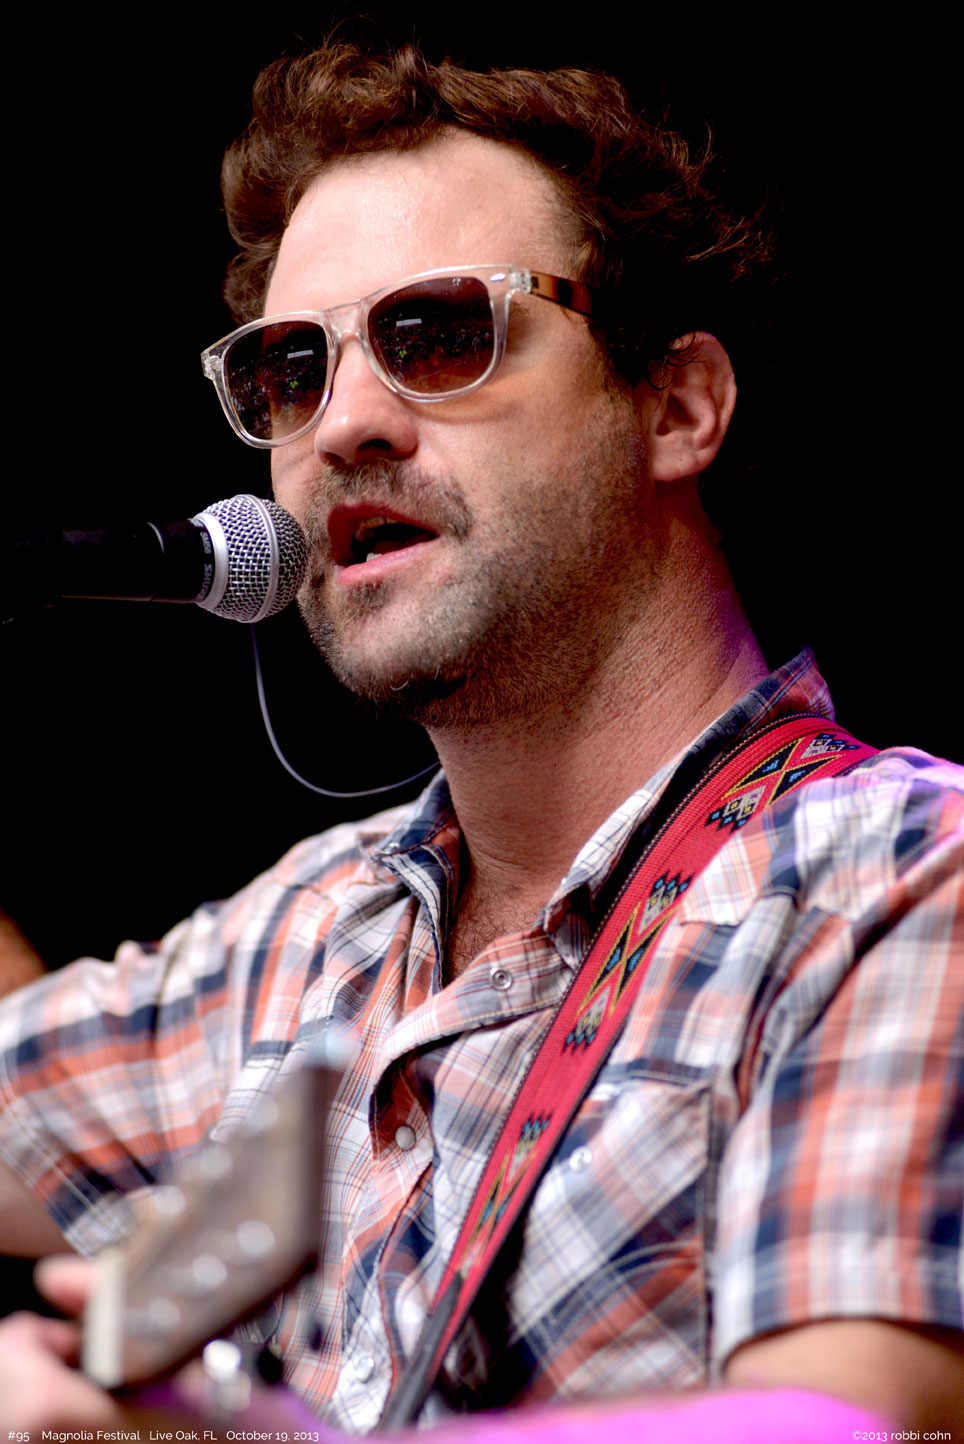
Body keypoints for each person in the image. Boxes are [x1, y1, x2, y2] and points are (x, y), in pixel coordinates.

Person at [1, 40, 961, 1441]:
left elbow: (839, 1422)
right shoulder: (313, 934)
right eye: (291, 369)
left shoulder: (900, 873)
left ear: (677, 405)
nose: (344, 425)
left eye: (440, 334)